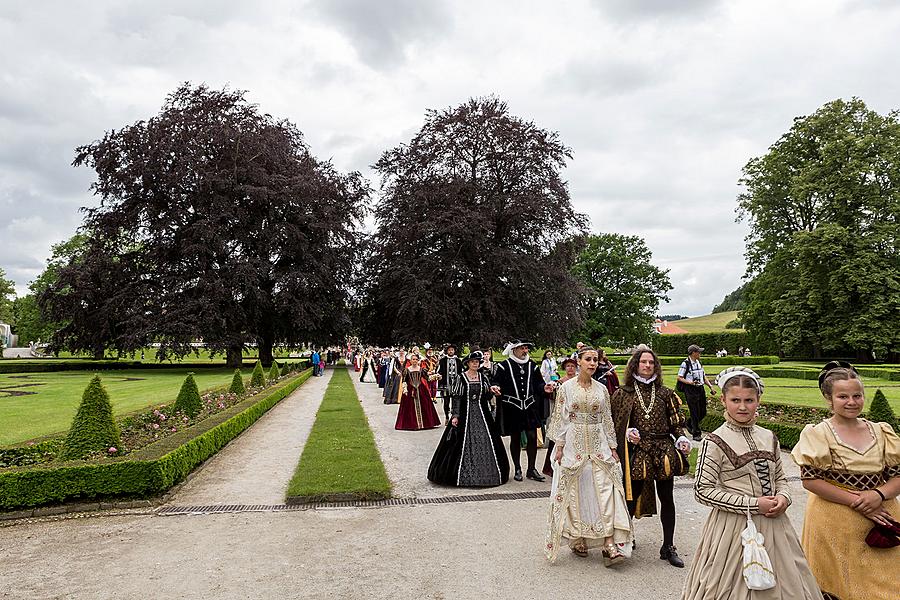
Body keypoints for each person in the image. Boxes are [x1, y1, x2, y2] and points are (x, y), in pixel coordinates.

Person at [682, 367, 823, 599]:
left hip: (776, 525)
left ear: (758, 400)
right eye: (735, 400)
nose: (742, 406)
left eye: (749, 400)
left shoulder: (768, 436)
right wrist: (753, 504)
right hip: (733, 529)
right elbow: (703, 490)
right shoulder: (715, 440)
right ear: (723, 400)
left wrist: (784, 498)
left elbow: (780, 478)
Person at [790, 361, 900, 600]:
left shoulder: (882, 431)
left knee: (889, 585)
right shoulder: (817, 434)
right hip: (834, 521)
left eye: (857, 395)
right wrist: (860, 501)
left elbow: (897, 477)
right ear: (828, 399)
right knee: (842, 585)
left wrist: (877, 495)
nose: (852, 401)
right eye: (843, 396)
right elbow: (810, 480)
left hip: (881, 515)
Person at [545, 347, 634, 565]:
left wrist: (613, 447)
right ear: (579, 362)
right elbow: (560, 418)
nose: (593, 363)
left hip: (599, 445)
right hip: (574, 445)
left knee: (605, 491)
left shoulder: (602, 389)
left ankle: (609, 542)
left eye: (595, 360)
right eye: (588, 359)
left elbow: (607, 419)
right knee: (576, 492)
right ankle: (578, 538)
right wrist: (559, 446)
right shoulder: (566, 388)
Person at [611, 346, 692, 568]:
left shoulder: (666, 393)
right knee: (630, 497)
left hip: (664, 448)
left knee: (667, 498)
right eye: (643, 362)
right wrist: (626, 433)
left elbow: (677, 423)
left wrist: (681, 438)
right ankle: (624, 539)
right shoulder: (623, 393)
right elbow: (613, 423)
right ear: (635, 365)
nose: (648, 366)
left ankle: (668, 546)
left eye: (651, 362)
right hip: (639, 452)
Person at [428, 351, 509, 487]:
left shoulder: (483, 378)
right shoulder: (461, 378)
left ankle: (489, 473)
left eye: (477, 362)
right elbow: (457, 397)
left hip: (482, 413)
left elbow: (486, 396)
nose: (475, 364)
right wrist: (455, 415)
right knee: (459, 443)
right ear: (467, 364)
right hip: (465, 414)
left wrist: (492, 391)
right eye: (473, 362)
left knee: (488, 441)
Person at [492, 340, 551, 482]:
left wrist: (544, 388)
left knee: (532, 437)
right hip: (512, 407)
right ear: (514, 350)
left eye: (526, 348)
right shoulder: (504, 366)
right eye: (522, 348)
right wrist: (495, 386)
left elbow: (538, 383)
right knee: (516, 438)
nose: (525, 351)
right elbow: (496, 381)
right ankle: (517, 468)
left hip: (530, 407)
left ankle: (531, 469)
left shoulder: (532, 365)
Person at [542, 357, 577, 477]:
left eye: (572, 366)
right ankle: (551, 467)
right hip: (563, 414)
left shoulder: (579, 381)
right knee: (558, 438)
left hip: (576, 415)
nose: (570, 368)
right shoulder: (560, 382)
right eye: (568, 366)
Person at [677, 344, 717, 441]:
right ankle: (696, 433)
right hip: (690, 389)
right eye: (698, 352)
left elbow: (703, 376)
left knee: (703, 412)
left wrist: (710, 387)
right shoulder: (685, 364)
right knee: (694, 411)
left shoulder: (699, 362)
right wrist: (690, 382)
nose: (700, 353)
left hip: (700, 388)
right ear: (693, 353)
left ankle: (690, 423)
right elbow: (679, 377)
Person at [395, 352, 442, 430]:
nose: (415, 361)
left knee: (425, 405)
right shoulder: (407, 370)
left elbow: (428, 378)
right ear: (410, 360)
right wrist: (405, 389)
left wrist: (435, 376)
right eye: (413, 359)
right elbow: (404, 381)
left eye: (416, 359)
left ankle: (426, 424)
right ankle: (412, 425)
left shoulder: (421, 369)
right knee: (409, 407)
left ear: (418, 360)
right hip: (410, 390)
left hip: (421, 389)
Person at [437, 344, 464, 421]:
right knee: (446, 402)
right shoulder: (442, 360)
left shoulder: (458, 361)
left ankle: (453, 417)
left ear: (454, 351)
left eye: (452, 350)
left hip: (456, 385)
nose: (451, 351)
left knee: (455, 402)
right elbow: (439, 371)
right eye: (449, 350)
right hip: (446, 385)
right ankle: (446, 416)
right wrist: (439, 376)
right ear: (447, 351)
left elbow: (462, 371)